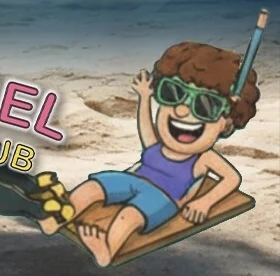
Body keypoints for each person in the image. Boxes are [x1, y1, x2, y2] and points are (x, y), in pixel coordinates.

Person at [40, 40, 259, 265]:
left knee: (129, 216)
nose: (182, 110)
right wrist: (144, 97)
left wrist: (204, 202)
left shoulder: (203, 159)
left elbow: (231, 178)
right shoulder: (157, 145)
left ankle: (107, 249)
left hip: (162, 197)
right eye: (173, 93)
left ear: (226, 124)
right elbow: (146, 126)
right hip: (132, 180)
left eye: (205, 106)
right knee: (91, 188)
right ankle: (56, 219)